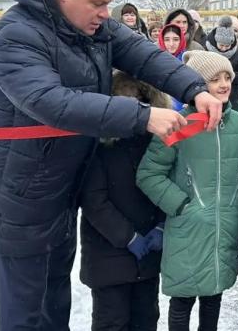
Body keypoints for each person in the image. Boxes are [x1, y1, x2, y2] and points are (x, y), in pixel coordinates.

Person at [0, 0, 224, 330]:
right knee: (24, 310)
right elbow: (51, 102)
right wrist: (142, 116)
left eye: (108, 4)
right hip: (22, 190)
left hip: (66, 184)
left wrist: (195, 89)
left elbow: (143, 54)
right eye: (97, 3)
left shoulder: (92, 27)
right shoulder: (17, 34)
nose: (104, 14)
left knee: (54, 301)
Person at [138, 51, 238, 331]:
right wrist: (181, 205)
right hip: (187, 229)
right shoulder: (180, 124)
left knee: (214, 296)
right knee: (183, 301)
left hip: (224, 227)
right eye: (215, 79)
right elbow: (149, 174)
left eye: (227, 77)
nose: (224, 84)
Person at [78, 72, 167, 331]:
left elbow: (168, 184)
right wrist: (127, 237)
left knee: (146, 319)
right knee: (112, 322)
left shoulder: (156, 144)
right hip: (108, 254)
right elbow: (94, 200)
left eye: (140, 103)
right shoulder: (99, 146)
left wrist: (161, 225)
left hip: (148, 253)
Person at [206, 15, 238, 111]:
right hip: (210, 95)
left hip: (232, 96)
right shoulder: (207, 52)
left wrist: (229, 76)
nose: (224, 48)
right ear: (216, 41)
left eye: (227, 46)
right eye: (221, 45)